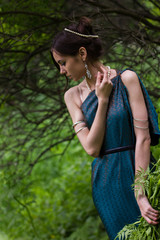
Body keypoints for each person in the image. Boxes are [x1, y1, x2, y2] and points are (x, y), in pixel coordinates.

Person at [50, 17, 160, 240]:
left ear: (81, 54)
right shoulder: (72, 96)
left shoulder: (128, 79)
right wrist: (102, 101)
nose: (61, 71)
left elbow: (144, 138)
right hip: (107, 185)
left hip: (140, 173)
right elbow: (91, 148)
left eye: (62, 62)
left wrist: (140, 193)